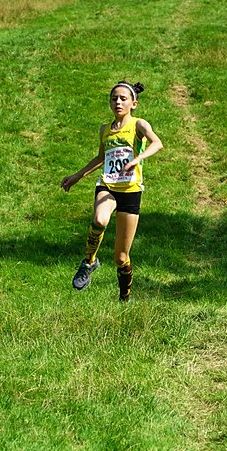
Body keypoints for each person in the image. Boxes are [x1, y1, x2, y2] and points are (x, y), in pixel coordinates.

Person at [61, 81, 163, 302]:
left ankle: (124, 298)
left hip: (131, 190)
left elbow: (157, 144)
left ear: (133, 103)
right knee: (100, 219)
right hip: (108, 185)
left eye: (123, 99)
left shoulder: (139, 125)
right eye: (114, 98)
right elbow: (101, 158)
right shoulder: (105, 130)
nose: (118, 102)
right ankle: (89, 262)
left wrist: (137, 159)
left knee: (121, 257)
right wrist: (77, 176)